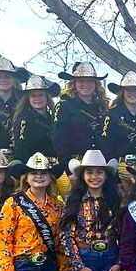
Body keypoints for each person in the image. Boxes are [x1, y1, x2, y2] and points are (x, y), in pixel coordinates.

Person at [53, 62, 110, 195]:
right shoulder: (64, 106)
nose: (86, 84)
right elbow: (59, 140)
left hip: (98, 166)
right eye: (81, 81)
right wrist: (68, 170)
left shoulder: (102, 107)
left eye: (90, 81)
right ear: (74, 83)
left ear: (96, 84)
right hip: (75, 163)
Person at [103, 71, 136, 180]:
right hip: (120, 168)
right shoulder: (112, 115)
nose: (132, 93)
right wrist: (114, 177)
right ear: (122, 92)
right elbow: (106, 148)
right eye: (128, 89)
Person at [11, 75, 60, 161]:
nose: (37, 99)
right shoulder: (23, 120)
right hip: (32, 168)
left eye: (41, 95)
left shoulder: (54, 119)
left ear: (47, 97)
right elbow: (20, 151)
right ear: (28, 99)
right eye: (33, 96)